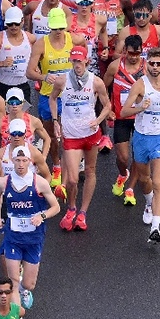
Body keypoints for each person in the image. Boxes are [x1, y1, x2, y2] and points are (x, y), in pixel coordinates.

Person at [119, 48, 160, 243]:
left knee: (158, 183)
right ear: (146, 64)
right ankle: (148, 203)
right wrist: (140, 108)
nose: (155, 67)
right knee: (144, 180)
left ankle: (156, 227)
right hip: (141, 138)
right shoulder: (140, 85)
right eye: (152, 63)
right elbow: (123, 112)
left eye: (159, 63)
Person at [53, 45, 112, 231]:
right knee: (71, 179)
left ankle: (83, 213)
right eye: (74, 60)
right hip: (71, 134)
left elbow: (107, 105)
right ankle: (71, 208)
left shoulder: (96, 82)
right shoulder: (62, 81)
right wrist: (56, 121)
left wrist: (99, 120)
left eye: (80, 61)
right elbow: (52, 98)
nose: (77, 64)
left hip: (90, 133)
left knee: (90, 171)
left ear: (87, 61)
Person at [0, 146, 59, 310]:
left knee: (29, 284)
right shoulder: (4, 182)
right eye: (17, 160)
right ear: (13, 161)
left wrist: (42, 216)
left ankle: (24, 291)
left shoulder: (40, 182)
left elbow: (56, 207)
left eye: (24, 161)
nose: (21, 164)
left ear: (30, 162)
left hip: (33, 239)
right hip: (13, 238)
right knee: (14, 281)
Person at [29, 6, 74, 182]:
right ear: (49, 26)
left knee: (69, 133)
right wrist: (43, 77)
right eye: (54, 28)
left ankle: (71, 164)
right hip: (48, 96)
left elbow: (85, 53)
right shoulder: (41, 44)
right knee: (52, 136)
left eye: (61, 28)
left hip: (69, 97)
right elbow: (29, 72)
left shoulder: (73, 40)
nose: (58, 31)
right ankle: (56, 164)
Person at [103, 35, 145, 203]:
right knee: (122, 157)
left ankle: (130, 188)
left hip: (141, 117)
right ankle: (123, 174)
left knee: (138, 155)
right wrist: (108, 110)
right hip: (121, 117)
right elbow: (102, 88)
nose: (134, 57)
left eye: (137, 53)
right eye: (130, 53)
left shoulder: (147, 68)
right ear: (124, 51)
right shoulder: (115, 67)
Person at [0, 7, 32, 100]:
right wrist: (1, 64)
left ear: (22, 21)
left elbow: (37, 57)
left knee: (23, 114)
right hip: (4, 86)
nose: (14, 27)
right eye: (10, 24)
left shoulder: (30, 38)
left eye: (16, 23)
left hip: (23, 85)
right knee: (3, 114)